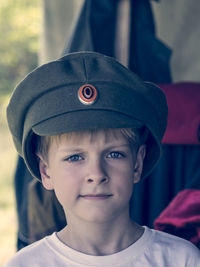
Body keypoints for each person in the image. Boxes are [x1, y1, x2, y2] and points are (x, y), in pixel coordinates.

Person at [5, 52, 200, 266]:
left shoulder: (181, 259)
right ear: (45, 171)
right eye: (75, 157)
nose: (97, 174)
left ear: (137, 164)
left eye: (114, 154)